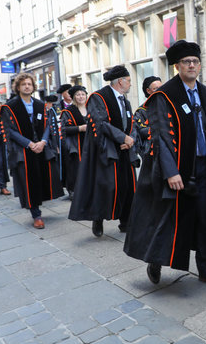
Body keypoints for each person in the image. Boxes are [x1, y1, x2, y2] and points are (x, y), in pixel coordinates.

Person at [123, 40, 206, 288]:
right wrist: (171, 172)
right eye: (186, 62)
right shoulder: (165, 96)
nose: (191, 65)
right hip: (177, 169)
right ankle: (155, 260)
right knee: (169, 220)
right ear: (177, 66)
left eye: (195, 61)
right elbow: (160, 136)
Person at [68, 66, 137, 236]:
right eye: (128, 81)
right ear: (120, 81)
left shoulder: (125, 101)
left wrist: (130, 140)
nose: (130, 84)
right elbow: (100, 123)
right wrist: (123, 138)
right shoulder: (98, 98)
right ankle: (97, 219)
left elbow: (131, 123)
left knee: (127, 186)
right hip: (106, 150)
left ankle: (126, 221)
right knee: (105, 187)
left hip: (124, 150)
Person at [0, 73, 64, 229]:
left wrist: (43, 141)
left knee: (42, 177)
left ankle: (39, 206)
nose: (27, 86)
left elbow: (48, 125)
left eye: (29, 84)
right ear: (18, 87)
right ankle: (36, 214)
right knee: (28, 181)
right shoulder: (10, 107)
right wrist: (29, 144)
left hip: (41, 146)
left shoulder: (40, 104)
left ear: (33, 86)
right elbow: (10, 131)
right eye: (23, 84)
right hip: (23, 149)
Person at [60, 85, 88, 199]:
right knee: (76, 168)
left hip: (91, 143)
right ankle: (75, 191)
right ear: (73, 97)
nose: (81, 97)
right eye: (78, 94)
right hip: (75, 145)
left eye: (83, 94)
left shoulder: (91, 108)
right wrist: (79, 128)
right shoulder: (68, 112)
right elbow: (63, 129)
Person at [132, 76, 162, 158]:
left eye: (161, 87)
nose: (160, 91)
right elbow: (140, 131)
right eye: (156, 88)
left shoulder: (167, 106)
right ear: (148, 91)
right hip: (151, 153)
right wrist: (160, 128)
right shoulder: (141, 111)